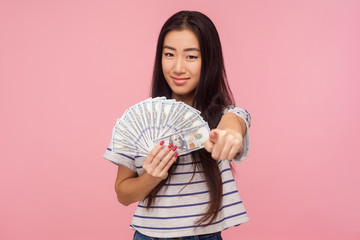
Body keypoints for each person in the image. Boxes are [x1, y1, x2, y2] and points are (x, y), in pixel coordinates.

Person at [103, 10, 251, 240]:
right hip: (149, 236)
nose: (178, 67)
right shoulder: (138, 122)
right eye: (169, 54)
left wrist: (229, 133)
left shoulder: (225, 115)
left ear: (209, 61)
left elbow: (235, 123)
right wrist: (152, 175)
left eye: (191, 56)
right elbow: (123, 194)